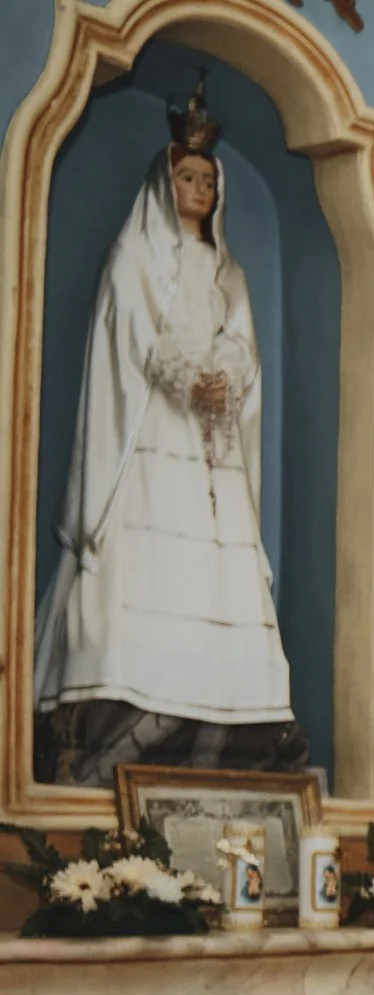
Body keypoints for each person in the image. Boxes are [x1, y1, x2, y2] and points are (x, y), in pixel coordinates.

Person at [32, 75, 299, 784]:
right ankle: (127, 704)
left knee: (221, 564)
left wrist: (226, 374)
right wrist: (183, 374)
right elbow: (130, 332)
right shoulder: (135, 257)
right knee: (144, 555)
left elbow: (242, 342)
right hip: (149, 436)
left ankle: (225, 705)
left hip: (211, 444)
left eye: (208, 180)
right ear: (164, 183)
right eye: (187, 176)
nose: (200, 189)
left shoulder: (229, 270)